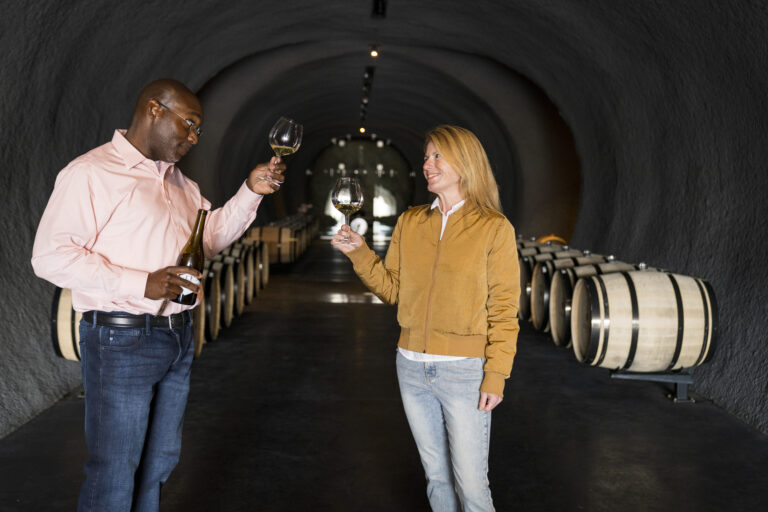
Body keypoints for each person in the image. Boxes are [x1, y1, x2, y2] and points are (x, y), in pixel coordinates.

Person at [31, 79, 285, 512]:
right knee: (115, 468)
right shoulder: (92, 173)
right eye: (188, 125)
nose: (192, 138)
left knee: (158, 463)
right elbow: (50, 257)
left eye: (198, 132)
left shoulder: (182, 185)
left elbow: (208, 241)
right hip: (120, 340)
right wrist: (140, 283)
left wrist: (249, 192)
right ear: (153, 109)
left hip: (176, 336)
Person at [332, 125, 520, 511]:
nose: (427, 164)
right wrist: (361, 253)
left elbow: (504, 308)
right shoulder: (411, 222)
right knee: (436, 479)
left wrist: (496, 373)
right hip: (411, 367)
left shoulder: (493, 228)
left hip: (465, 371)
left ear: (465, 163)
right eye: (426, 156)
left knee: (471, 486)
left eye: (438, 156)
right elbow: (394, 290)